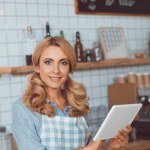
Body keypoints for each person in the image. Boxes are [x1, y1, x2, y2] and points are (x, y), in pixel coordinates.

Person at [12, 36, 132, 150]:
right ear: (37, 67)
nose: (56, 70)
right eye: (48, 62)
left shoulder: (77, 104)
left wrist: (110, 146)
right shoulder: (24, 108)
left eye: (63, 63)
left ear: (69, 68)